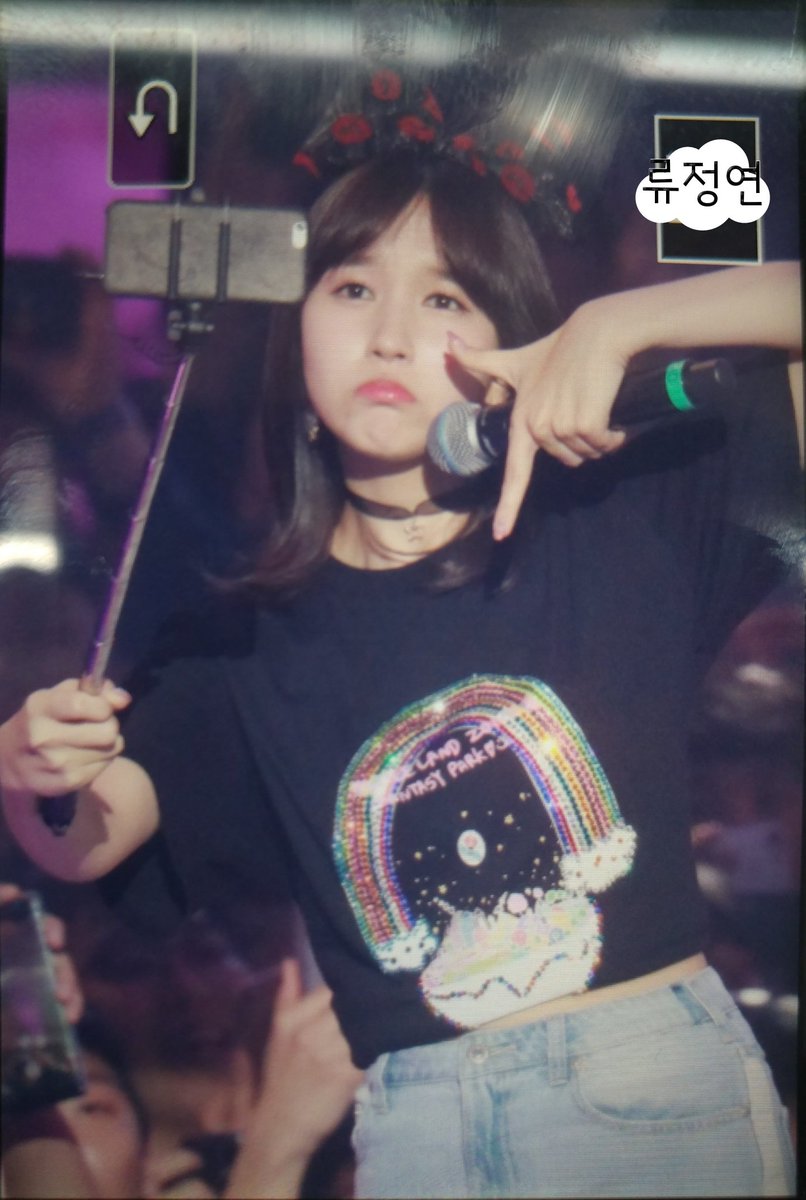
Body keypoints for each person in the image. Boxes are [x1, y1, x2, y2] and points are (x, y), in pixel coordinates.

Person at [0, 81, 802, 1196]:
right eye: (352, 286)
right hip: (416, 1124)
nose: (388, 333)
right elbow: (84, 837)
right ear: (296, 327)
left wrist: (621, 323)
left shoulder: (618, 522)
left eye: (443, 299)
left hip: (644, 1089)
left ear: (515, 343)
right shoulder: (246, 640)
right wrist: (28, 769)